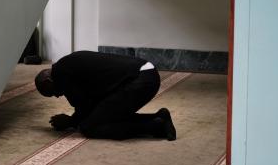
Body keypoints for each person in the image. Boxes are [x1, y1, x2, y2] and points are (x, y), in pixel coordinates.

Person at [35, 51, 176, 140]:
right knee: (103, 116)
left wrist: (71, 122)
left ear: (49, 80)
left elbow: (83, 107)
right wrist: (75, 120)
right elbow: (90, 107)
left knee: (90, 127)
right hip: (144, 75)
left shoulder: (60, 74)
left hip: (140, 80)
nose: (57, 96)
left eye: (52, 92)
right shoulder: (65, 65)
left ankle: (156, 126)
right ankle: (158, 118)